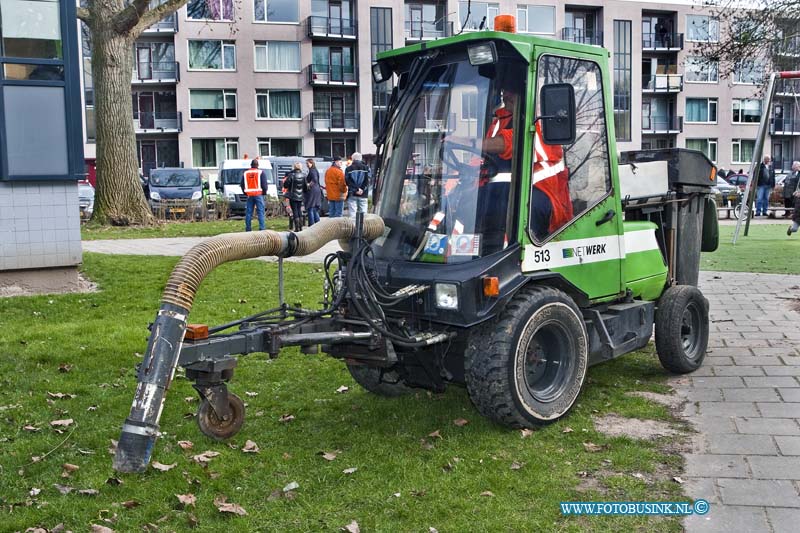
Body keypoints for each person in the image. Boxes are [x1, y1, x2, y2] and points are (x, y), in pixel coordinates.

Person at [239, 159, 268, 231]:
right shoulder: (261, 172)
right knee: (260, 212)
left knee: (249, 212)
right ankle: (262, 228)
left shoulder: (246, 173)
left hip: (249, 195)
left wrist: (245, 192)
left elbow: (242, 184)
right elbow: (264, 185)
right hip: (258, 194)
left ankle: (248, 228)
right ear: (258, 165)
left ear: (251, 165)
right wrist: (264, 192)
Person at [345, 152, 371, 218]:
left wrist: (356, 189)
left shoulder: (348, 169)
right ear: (361, 159)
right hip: (363, 194)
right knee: (364, 213)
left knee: (352, 213)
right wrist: (362, 189)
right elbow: (368, 180)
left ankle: (353, 227)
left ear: (352, 159)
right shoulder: (366, 168)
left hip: (352, 193)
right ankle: (364, 227)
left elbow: (347, 181)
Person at [283, 162, 306, 231]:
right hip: (300, 196)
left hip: (293, 195)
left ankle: (296, 227)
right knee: (299, 210)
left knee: (295, 210)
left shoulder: (291, 175)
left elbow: (285, 185)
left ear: (294, 167)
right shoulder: (303, 175)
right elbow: (305, 187)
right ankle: (301, 226)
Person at [304, 159, 322, 226]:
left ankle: (311, 224)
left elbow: (314, 179)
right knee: (314, 209)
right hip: (317, 190)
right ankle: (318, 224)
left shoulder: (312, 171)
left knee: (310, 207)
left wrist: (309, 185)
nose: (307, 165)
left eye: (307, 163)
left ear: (311, 163)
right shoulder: (315, 170)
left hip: (312, 191)